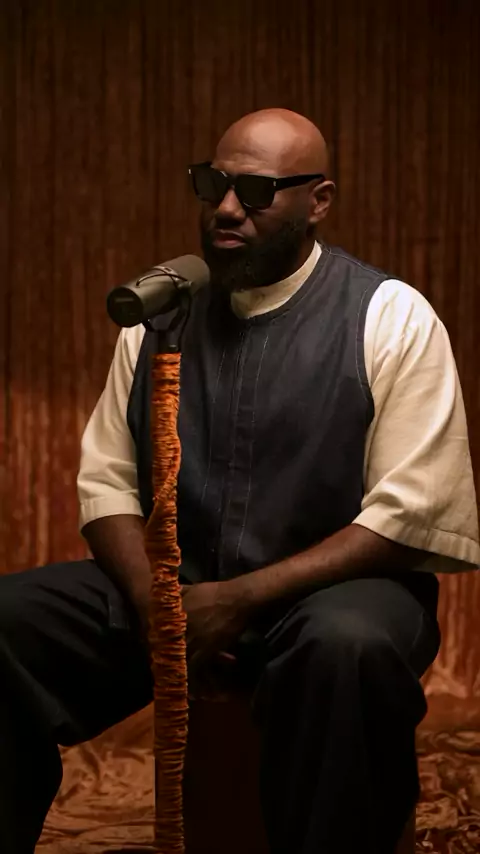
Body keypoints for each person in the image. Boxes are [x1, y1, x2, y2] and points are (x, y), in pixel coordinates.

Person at [0, 108, 478, 854]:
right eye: (213, 184)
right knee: (7, 622)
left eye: (256, 191)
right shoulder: (159, 317)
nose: (226, 208)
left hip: (330, 598)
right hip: (176, 591)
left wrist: (239, 600)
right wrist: (158, 604)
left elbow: (409, 515)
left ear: (318, 201)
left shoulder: (390, 316)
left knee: (346, 648)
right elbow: (108, 486)